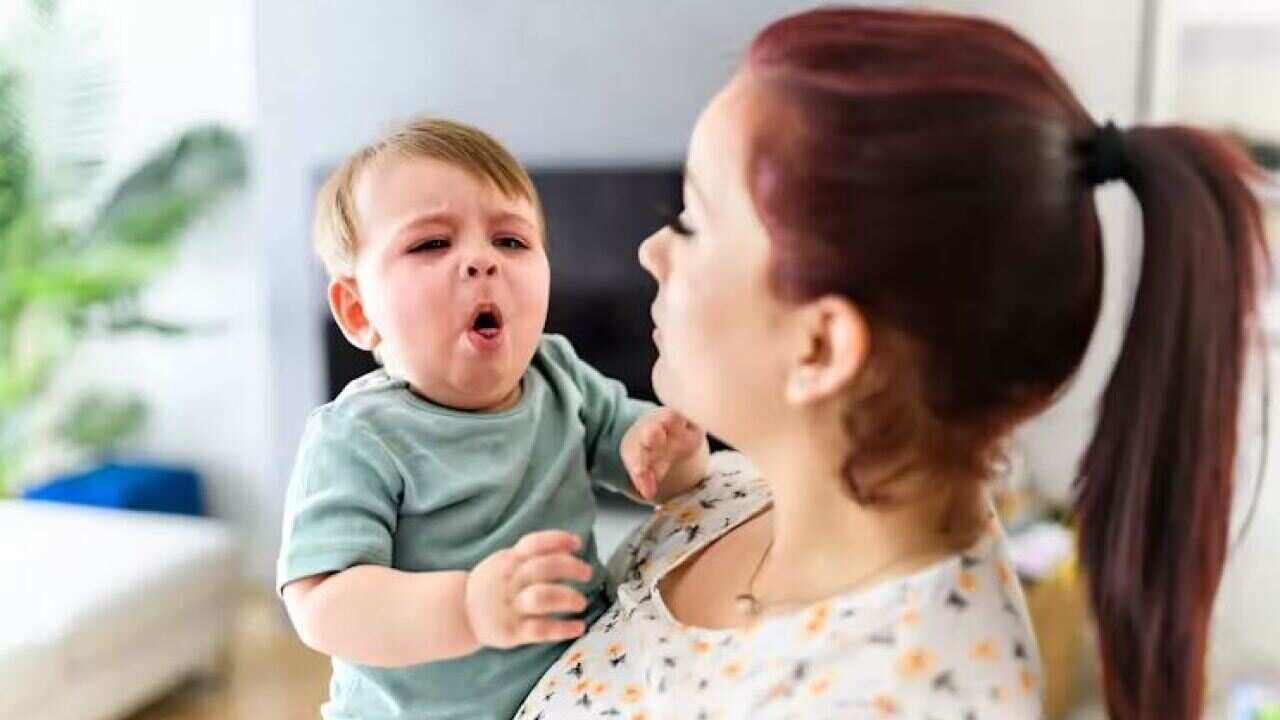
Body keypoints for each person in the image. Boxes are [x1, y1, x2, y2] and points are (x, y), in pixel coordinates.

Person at [517, 7, 1268, 720]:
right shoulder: (728, 497)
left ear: (821, 347)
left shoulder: (907, 695)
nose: (652, 253)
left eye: (692, 220)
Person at [276, 118, 709, 720]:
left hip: (572, 689)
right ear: (357, 310)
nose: (481, 261)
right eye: (431, 244)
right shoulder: (359, 435)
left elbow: (651, 473)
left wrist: (673, 452)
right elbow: (321, 604)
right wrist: (467, 608)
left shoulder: (559, 375)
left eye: (511, 241)